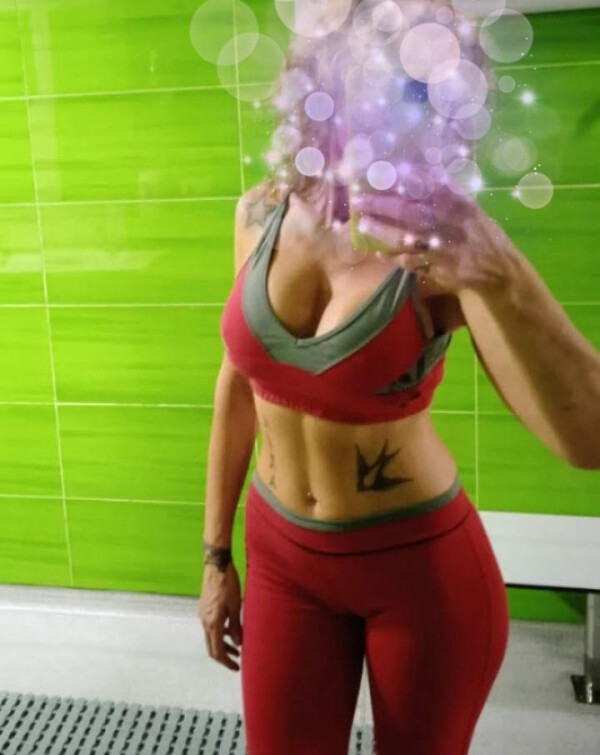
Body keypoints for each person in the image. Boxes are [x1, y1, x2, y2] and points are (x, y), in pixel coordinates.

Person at [198, 6, 600, 754]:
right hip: (281, 558)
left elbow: (588, 440)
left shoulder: (445, 252)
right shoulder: (259, 213)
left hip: (420, 573)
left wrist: (501, 272)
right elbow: (238, 383)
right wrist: (216, 555)